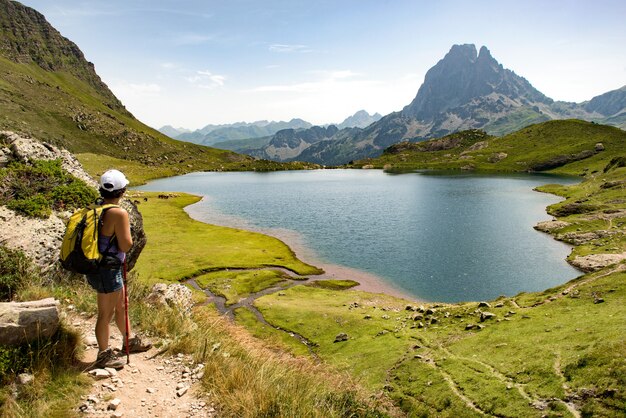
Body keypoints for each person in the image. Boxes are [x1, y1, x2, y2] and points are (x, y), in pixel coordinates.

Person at [87, 169, 151, 369]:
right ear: (122, 191)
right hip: (109, 268)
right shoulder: (119, 213)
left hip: (101, 267)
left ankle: (128, 341)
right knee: (105, 313)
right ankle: (103, 355)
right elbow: (125, 245)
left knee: (122, 306)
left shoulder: (96, 208)